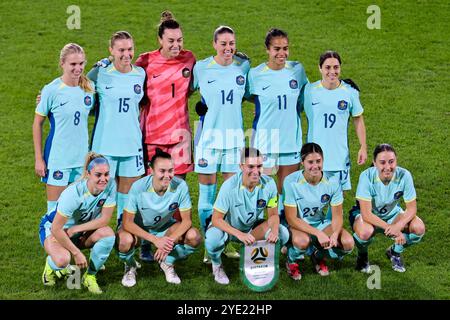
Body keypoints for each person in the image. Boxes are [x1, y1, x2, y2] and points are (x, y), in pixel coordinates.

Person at [135, 11, 196, 262]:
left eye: (179, 39)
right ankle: (147, 244)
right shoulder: (145, 61)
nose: (176, 45)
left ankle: (172, 241)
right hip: (153, 136)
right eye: (170, 40)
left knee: (176, 193)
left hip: (180, 136)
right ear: (160, 39)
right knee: (150, 194)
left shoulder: (189, 59)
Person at [192, 25, 250, 263]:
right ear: (214, 44)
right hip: (207, 141)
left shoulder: (243, 68)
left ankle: (223, 242)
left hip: (234, 142)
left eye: (232, 43)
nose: (228, 48)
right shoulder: (202, 68)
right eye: (224, 43)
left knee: (228, 197)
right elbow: (186, 90)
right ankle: (209, 244)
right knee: (207, 198)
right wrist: (200, 107)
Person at [87, 31, 146, 247]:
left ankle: (124, 247)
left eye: (129, 49)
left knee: (126, 203)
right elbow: (78, 91)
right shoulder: (100, 74)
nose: (126, 54)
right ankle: (93, 245)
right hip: (105, 148)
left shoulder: (140, 74)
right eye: (121, 50)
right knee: (97, 199)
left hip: (131, 147)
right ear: (111, 50)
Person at [116, 149, 201, 286]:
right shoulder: (138, 187)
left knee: (194, 237)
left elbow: (187, 221)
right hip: (139, 230)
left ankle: (167, 262)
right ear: (151, 170)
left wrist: (168, 242)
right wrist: (155, 240)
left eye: (170, 171)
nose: (167, 176)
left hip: (164, 228)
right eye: (162, 171)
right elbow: (127, 223)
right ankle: (130, 266)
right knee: (124, 241)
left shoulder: (180, 186)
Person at [204, 147, 289, 285]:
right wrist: (239, 235)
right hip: (229, 230)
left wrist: (273, 231)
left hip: (251, 229)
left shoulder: (269, 184)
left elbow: (273, 214)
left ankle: (256, 262)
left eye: (259, 166)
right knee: (212, 240)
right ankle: (217, 265)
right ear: (241, 166)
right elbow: (216, 219)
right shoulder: (229, 186)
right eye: (250, 166)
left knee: (282, 233)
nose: (256, 171)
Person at [33, 43, 95, 221]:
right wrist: (39, 159)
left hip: (81, 160)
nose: (78, 68)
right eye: (73, 64)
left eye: (81, 63)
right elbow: (37, 124)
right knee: (54, 212)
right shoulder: (51, 90)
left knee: (77, 211)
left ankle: (72, 248)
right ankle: (52, 249)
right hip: (58, 158)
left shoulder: (89, 88)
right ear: (62, 64)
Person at [38, 152, 116, 294]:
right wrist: (77, 253)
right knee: (63, 260)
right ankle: (50, 266)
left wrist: (76, 229)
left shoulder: (110, 185)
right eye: (98, 175)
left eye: (106, 174)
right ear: (88, 174)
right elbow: (56, 228)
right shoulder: (74, 194)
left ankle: (90, 276)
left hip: (77, 230)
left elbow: (104, 220)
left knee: (108, 234)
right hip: (54, 229)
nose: (103, 179)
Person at [246, 27, 308, 201]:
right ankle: (256, 224)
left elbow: (305, 98)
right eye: (277, 49)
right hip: (265, 141)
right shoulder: (255, 74)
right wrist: (264, 106)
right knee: (258, 189)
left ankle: (282, 225)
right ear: (267, 49)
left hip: (290, 141)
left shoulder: (297, 70)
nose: (282, 53)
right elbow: (245, 95)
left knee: (285, 191)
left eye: (285, 48)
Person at [283, 143, 354, 280]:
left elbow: (337, 216)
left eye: (318, 161)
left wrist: (334, 234)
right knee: (302, 241)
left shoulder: (333, 181)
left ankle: (317, 255)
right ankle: (291, 259)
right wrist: (318, 234)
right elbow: (291, 218)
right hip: (298, 224)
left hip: (320, 223)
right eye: (310, 162)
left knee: (348, 243)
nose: (315, 166)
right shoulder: (291, 181)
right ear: (302, 162)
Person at [350, 143, 425, 273]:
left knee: (418, 228)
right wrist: (394, 230)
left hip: (392, 214)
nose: (387, 167)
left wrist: (399, 224)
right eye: (382, 162)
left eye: (391, 162)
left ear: (396, 160)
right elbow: (366, 214)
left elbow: (412, 209)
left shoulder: (404, 175)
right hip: (366, 216)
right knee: (364, 232)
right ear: (374, 163)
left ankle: (394, 252)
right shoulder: (366, 176)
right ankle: (362, 256)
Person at [303, 50, 367, 192]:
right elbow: (292, 108)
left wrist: (363, 146)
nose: (332, 71)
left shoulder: (350, 92)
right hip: (314, 156)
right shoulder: (309, 91)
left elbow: (358, 119)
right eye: (327, 67)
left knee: (337, 201)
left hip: (339, 157)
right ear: (320, 68)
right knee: (313, 196)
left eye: (336, 67)